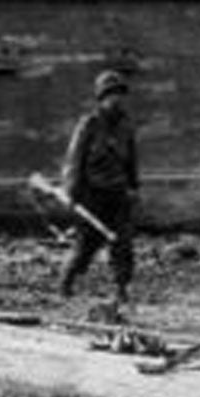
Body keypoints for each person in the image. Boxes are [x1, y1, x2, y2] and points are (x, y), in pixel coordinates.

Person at [58, 69, 139, 304]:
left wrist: (134, 187)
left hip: (118, 194)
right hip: (93, 195)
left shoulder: (126, 126)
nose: (116, 99)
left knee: (122, 243)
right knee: (87, 244)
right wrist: (72, 192)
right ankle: (67, 281)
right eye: (111, 94)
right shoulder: (89, 125)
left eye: (120, 94)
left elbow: (131, 160)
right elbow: (74, 161)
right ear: (101, 98)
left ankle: (121, 288)